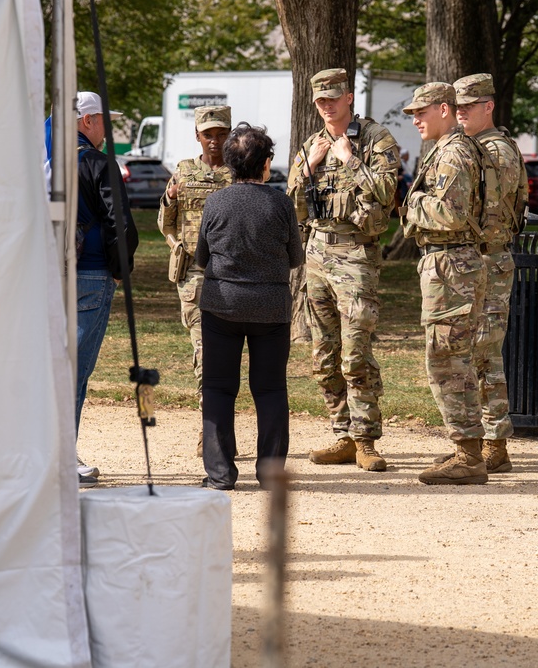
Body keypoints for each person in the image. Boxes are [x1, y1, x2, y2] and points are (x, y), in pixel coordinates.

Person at [287, 68, 401, 472]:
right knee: (323, 355)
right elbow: (293, 207)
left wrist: (349, 159)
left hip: (355, 258)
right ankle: (341, 434)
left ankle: (365, 439)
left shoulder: (375, 139)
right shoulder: (311, 144)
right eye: (320, 101)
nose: (327, 106)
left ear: (349, 97)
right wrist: (309, 167)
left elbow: (387, 194)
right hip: (317, 256)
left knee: (355, 354)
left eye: (333, 98)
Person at [195, 124, 304, 489]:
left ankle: (220, 474)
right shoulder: (281, 202)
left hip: (221, 305)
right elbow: (294, 257)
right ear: (265, 163)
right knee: (270, 389)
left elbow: (201, 256)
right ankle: (271, 474)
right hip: (270, 307)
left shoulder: (215, 202)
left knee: (218, 388)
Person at [399, 82, 496, 485]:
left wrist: (411, 201)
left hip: (451, 264)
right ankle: (466, 446)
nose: (416, 120)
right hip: (450, 263)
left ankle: (469, 455)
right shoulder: (449, 149)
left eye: (421, 112)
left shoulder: (454, 152)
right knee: (453, 356)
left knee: (446, 359)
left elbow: (452, 215)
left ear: (443, 109)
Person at [452, 73, 529, 473]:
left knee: (482, 352)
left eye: (470, 106)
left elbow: (486, 211)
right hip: (485, 260)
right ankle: (488, 440)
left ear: (489, 107)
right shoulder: (482, 147)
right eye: (458, 107)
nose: (461, 113)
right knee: (479, 351)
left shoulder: (493, 151)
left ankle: (494, 443)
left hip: (488, 259)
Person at [158, 106, 234, 456]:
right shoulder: (184, 172)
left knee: (231, 354)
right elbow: (165, 222)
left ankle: (224, 430)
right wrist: (170, 204)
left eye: (221, 133)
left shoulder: (240, 173)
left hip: (234, 274)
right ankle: (212, 431)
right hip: (195, 276)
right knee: (205, 351)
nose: (215, 141)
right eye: (208, 134)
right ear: (197, 136)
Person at [74, 91, 138, 487]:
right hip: (92, 273)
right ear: (87, 122)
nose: (107, 128)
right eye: (103, 119)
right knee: (73, 373)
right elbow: (122, 224)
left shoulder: (41, 162)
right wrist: (119, 270)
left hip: (44, 277)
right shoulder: (99, 163)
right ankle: (62, 454)